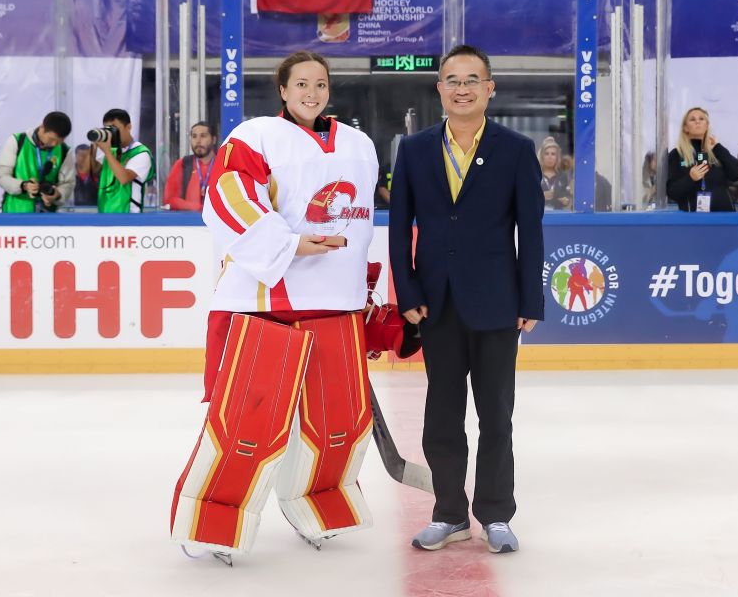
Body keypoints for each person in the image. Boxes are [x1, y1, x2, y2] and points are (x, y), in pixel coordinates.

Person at [170, 51, 379, 561]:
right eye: (301, 83)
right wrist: (289, 245)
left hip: (336, 303)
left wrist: (362, 290)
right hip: (264, 302)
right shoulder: (255, 134)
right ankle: (209, 524)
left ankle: (319, 508)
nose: (312, 92)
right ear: (282, 90)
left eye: (320, 83)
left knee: (336, 422)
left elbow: (361, 221)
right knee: (246, 425)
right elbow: (227, 196)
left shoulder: (360, 144)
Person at [389, 44, 545, 555]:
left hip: (497, 302)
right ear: (439, 89)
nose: (462, 89)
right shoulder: (414, 150)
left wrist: (531, 299)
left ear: (489, 88)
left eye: (472, 80)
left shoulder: (516, 149)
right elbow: (399, 228)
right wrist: (407, 291)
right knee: (441, 415)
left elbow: (530, 230)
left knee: (496, 415)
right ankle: (450, 514)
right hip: (435, 303)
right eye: (452, 80)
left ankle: (496, 513)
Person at [665, 107, 738, 212]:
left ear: (707, 125)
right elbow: (672, 192)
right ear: (685, 128)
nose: (697, 122)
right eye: (692, 119)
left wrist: (718, 147)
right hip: (693, 218)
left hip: (724, 216)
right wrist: (690, 178)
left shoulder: (717, 151)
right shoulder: (677, 154)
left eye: (701, 119)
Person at [0, 111, 75, 213]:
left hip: (48, 214)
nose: (54, 144)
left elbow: (68, 183)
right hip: (15, 212)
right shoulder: (17, 140)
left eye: (60, 141)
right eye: (51, 139)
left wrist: (57, 194)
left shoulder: (65, 151)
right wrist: (24, 186)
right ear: (42, 127)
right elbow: (2, 177)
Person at [90, 109, 154, 213]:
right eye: (107, 129)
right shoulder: (111, 150)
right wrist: (94, 149)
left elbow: (124, 178)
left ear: (128, 127)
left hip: (129, 216)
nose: (111, 133)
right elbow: (95, 171)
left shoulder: (141, 152)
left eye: (114, 129)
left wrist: (107, 152)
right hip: (104, 213)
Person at [164, 121, 217, 211]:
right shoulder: (183, 164)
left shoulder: (224, 165)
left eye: (203, 136)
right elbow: (169, 199)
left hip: (217, 218)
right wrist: (197, 208)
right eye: (194, 136)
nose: (198, 141)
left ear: (213, 140)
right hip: (188, 219)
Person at [538, 136, 571, 210]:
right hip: (537, 215)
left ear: (557, 157)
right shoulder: (535, 174)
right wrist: (541, 196)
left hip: (557, 215)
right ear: (542, 156)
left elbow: (568, 197)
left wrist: (566, 201)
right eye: (546, 154)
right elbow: (526, 196)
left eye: (553, 154)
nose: (550, 157)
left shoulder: (563, 176)